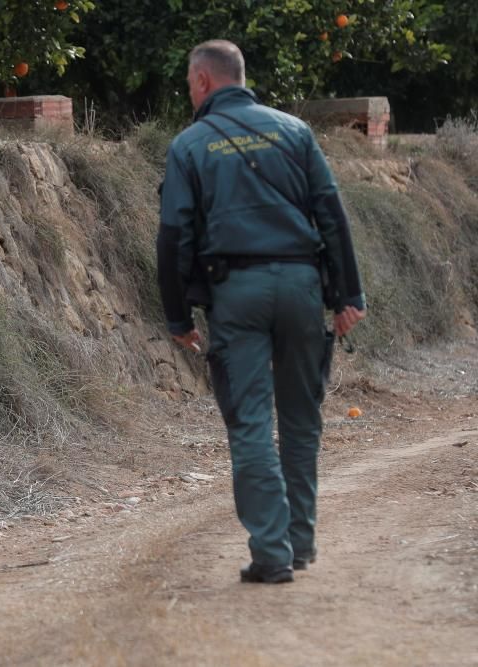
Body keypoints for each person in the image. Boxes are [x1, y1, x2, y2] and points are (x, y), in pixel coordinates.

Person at [155, 40, 367, 584]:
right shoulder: (295, 131)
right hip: (301, 285)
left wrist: (179, 317)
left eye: (188, 80)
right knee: (301, 421)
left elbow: (174, 236)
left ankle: (271, 555)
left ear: (202, 80)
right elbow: (331, 213)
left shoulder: (189, 145)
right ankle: (299, 545)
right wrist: (349, 297)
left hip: (237, 294)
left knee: (250, 422)